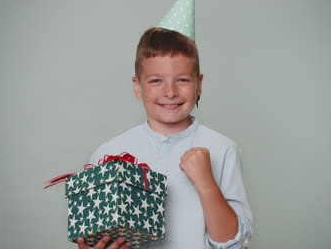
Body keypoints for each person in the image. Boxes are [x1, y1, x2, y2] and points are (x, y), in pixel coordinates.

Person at [76, 27, 253, 249]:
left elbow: (233, 243)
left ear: (199, 85)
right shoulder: (107, 154)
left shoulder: (223, 149)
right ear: (137, 87)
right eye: (156, 81)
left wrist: (206, 184)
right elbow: (94, 236)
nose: (170, 92)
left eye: (182, 80)